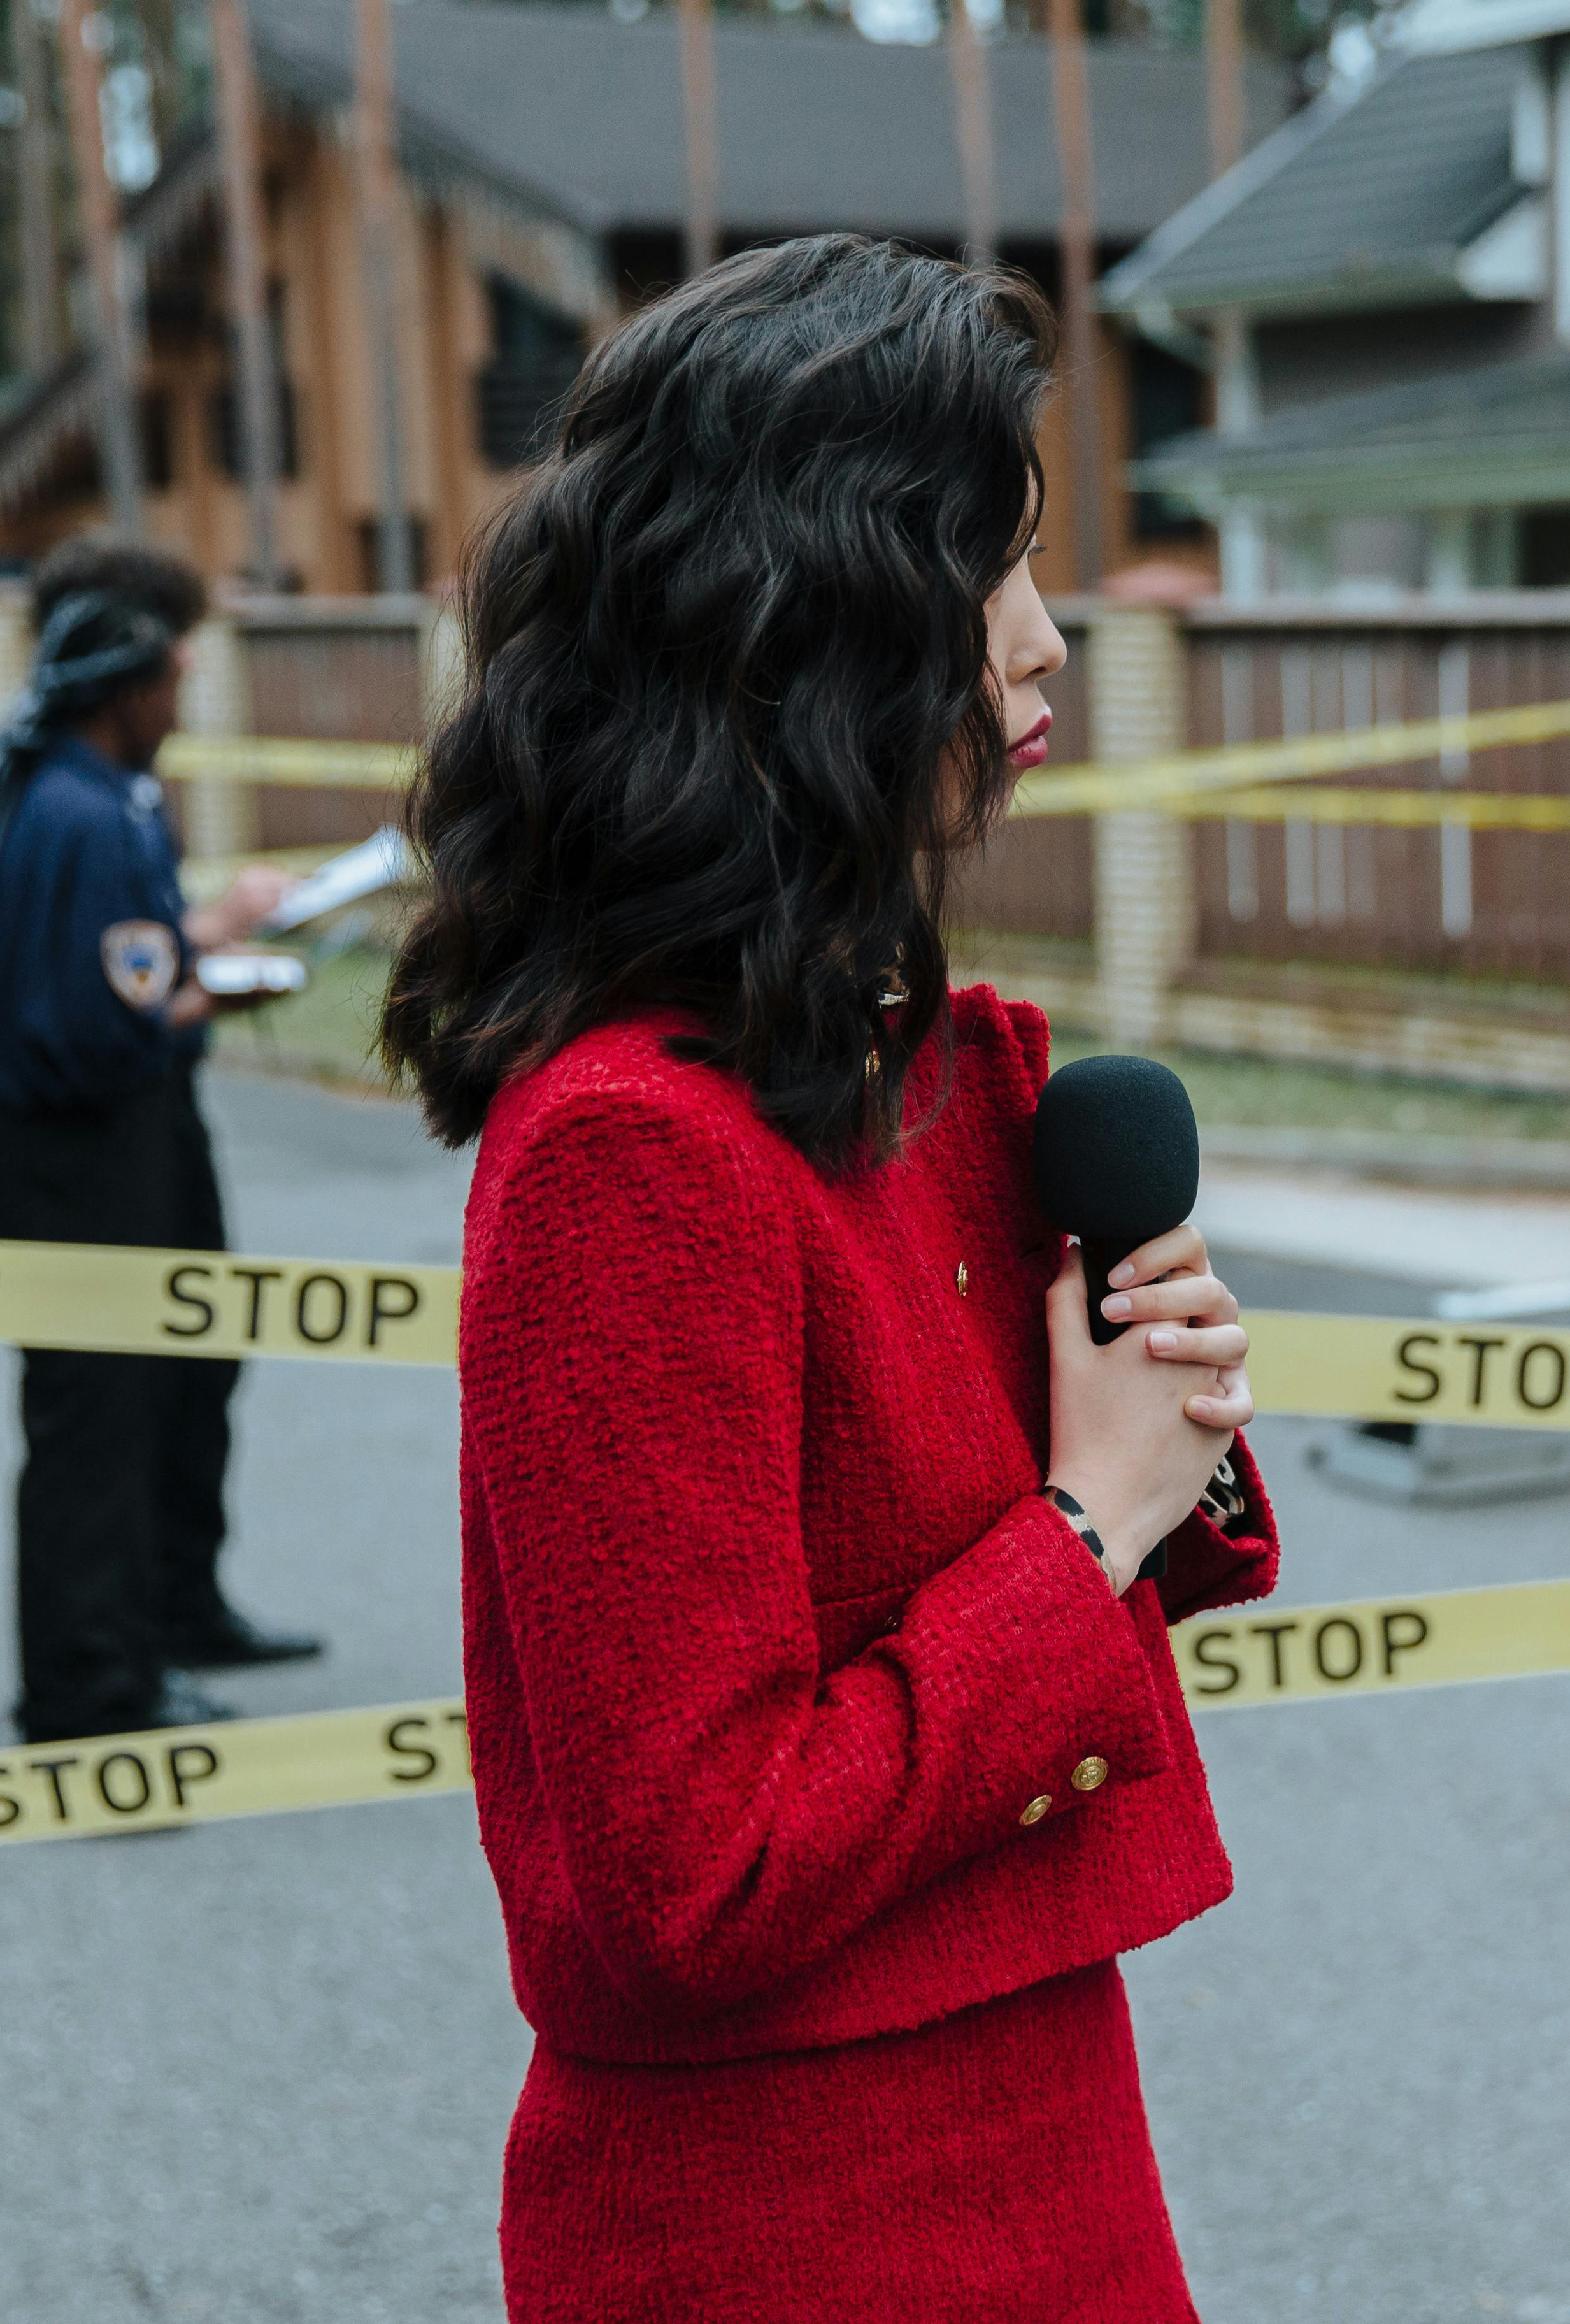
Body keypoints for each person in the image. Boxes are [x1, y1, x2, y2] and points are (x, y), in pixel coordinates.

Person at [383, 238, 1276, 2322]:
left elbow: (971, 1557)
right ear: (820, 618)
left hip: (1039, 2114)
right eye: (998, 567)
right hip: (793, 2214)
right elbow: (697, 1865)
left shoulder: (900, 1072)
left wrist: (1162, 1434)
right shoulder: (631, 1149)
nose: (1047, 643)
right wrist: (1090, 1518)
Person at [0, 537, 320, 1744]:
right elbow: (109, 1022)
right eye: (172, 673)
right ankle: (87, 1687)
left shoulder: (88, 790)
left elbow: (124, 956)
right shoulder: (79, 813)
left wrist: (203, 940)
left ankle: (174, 1608)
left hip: (130, 1128)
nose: (183, 694)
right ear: (126, 684)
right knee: (94, 1415)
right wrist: (234, 991)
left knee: (190, 1369)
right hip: (79, 1145)